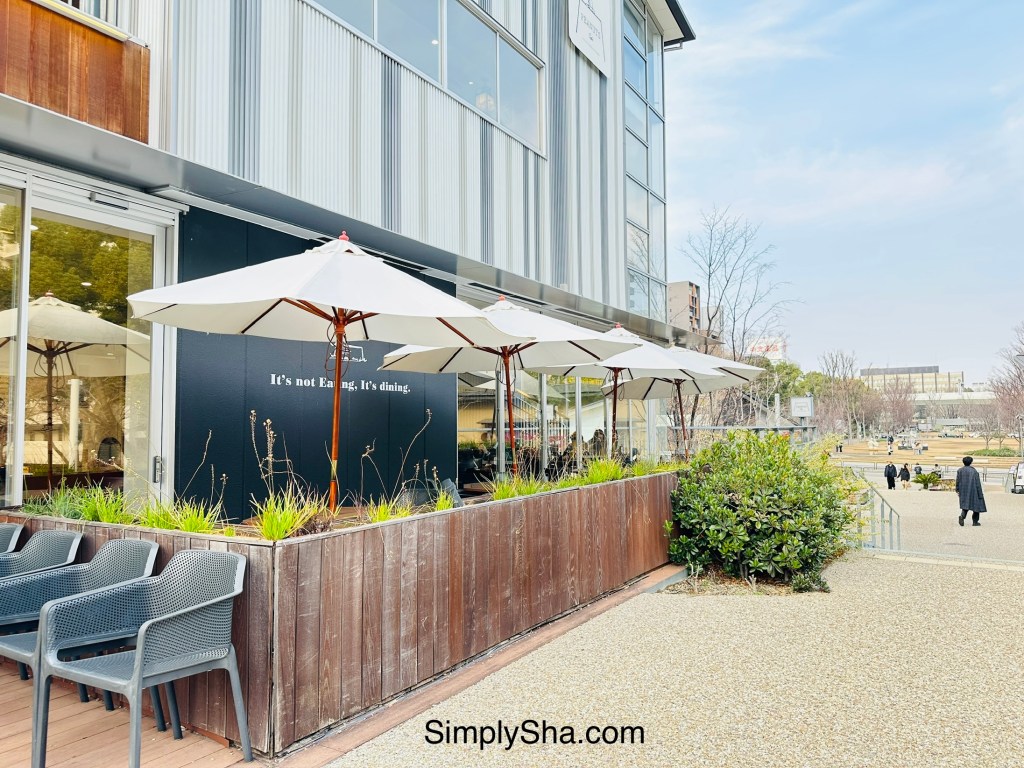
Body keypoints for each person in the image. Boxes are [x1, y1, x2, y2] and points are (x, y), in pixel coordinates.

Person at [955, 456, 987, 527]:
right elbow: (977, 483)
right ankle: (975, 522)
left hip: (963, 490)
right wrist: (980, 493)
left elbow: (957, 481)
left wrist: (957, 489)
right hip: (974, 491)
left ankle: (962, 516)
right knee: (976, 507)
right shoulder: (974, 471)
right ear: (971, 462)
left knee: (965, 506)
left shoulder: (960, 470)